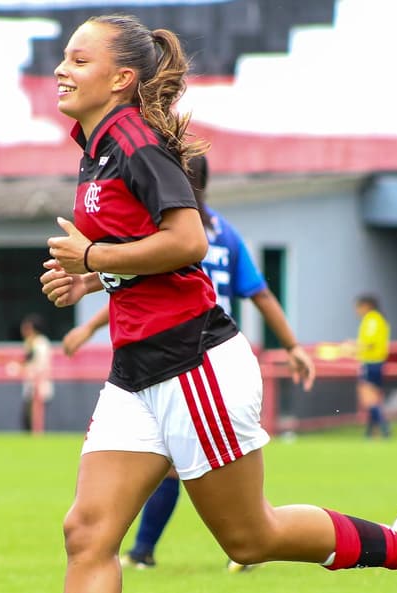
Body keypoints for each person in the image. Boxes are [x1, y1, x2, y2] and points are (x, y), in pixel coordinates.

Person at [40, 14, 397, 593]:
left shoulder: (136, 142)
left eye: (80, 60)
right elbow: (149, 252)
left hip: (191, 364)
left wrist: (94, 260)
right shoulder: (99, 148)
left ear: (121, 79)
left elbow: (189, 241)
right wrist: (93, 278)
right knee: (86, 534)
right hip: (134, 373)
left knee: (250, 538)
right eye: (65, 56)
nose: (62, 68)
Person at [62, 154, 316, 570]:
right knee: (103, 521)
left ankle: (152, 550)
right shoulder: (221, 231)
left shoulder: (175, 231)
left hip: (202, 358)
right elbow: (259, 294)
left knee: (242, 526)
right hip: (167, 362)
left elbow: (153, 283)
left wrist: (87, 319)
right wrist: (292, 346)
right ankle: (147, 551)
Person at [353, 294, 392, 438]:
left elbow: (369, 343)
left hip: (371, 363)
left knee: (369, 399)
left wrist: (353, 348)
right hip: (378, 362)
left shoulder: (372, 320)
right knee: (373, 399)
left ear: (366, 305)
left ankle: (384, 428)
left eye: (358, 307)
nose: (357, 311)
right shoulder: (379, 319)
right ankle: (370, 432)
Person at [17, 314, 54, 432]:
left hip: (39, 387)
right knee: (26, 420)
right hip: (30, 387)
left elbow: (41, 365)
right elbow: (26, 362)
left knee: (36, 421)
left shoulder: (41, 343)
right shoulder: (29, 343)